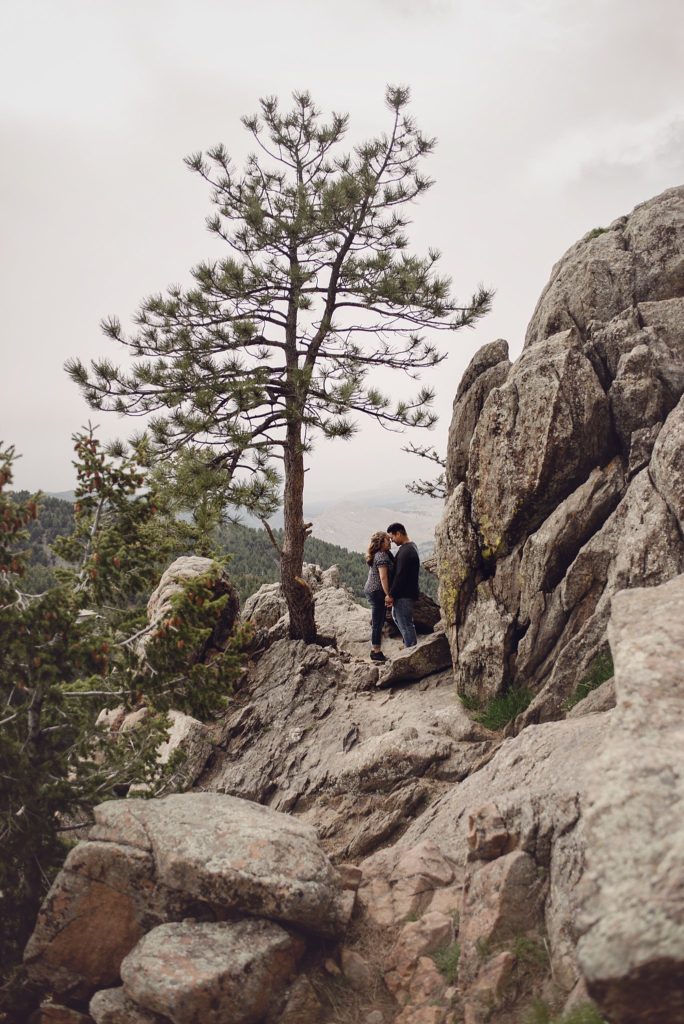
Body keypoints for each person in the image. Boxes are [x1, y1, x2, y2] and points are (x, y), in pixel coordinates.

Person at [385, 522, 419, 648]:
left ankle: (411, 649)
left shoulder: (406, 551)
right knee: (397, 617)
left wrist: (391, 595)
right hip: (406, 593)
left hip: (404, 594)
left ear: (398, 533)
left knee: (405, 623)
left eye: (392, 537)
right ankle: (408, 643)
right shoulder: (410, 547)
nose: (392, 541)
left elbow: (400, 575)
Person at [363, 530, 394, 662]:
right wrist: (388, 594)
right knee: (378, 622)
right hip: (377, 591)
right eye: (387, 540)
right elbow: (383, 577)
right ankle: (376, 651)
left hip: (373, 590)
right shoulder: (381, 555)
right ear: (381, 543)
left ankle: (375, 649)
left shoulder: (382, 553)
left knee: (379, 620)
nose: (390, 541)